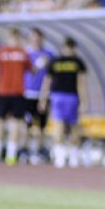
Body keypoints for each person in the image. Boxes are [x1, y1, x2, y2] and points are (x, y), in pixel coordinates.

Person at [39, 37, 87, 168]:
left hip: (65, 96)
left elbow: (80, 83)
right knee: (64, 126)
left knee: (70, 126)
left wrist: (43, 99)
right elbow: (47, 81)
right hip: (64, 97)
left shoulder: (62, 62)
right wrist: (43, 98)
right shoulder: (70, 62)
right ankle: (65, 156)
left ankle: (68, 156)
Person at [0, 28, 32, 165]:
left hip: (3, 91)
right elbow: (31, 70)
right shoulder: (23, 53)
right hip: (18, 92)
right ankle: (11, 154)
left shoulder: (0, 52)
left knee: (0, 121)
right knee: (16, 122)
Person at [23, 28, 54, 164]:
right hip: (27, 94)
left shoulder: (48, 54)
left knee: (41, 124)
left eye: (38, 37)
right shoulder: (25, 53)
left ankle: (40, 151)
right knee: (26, 124)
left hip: (42, 94)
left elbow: (49, 76)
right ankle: (25, 150)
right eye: (33, 37)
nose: (36, 40)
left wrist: (44, 96)